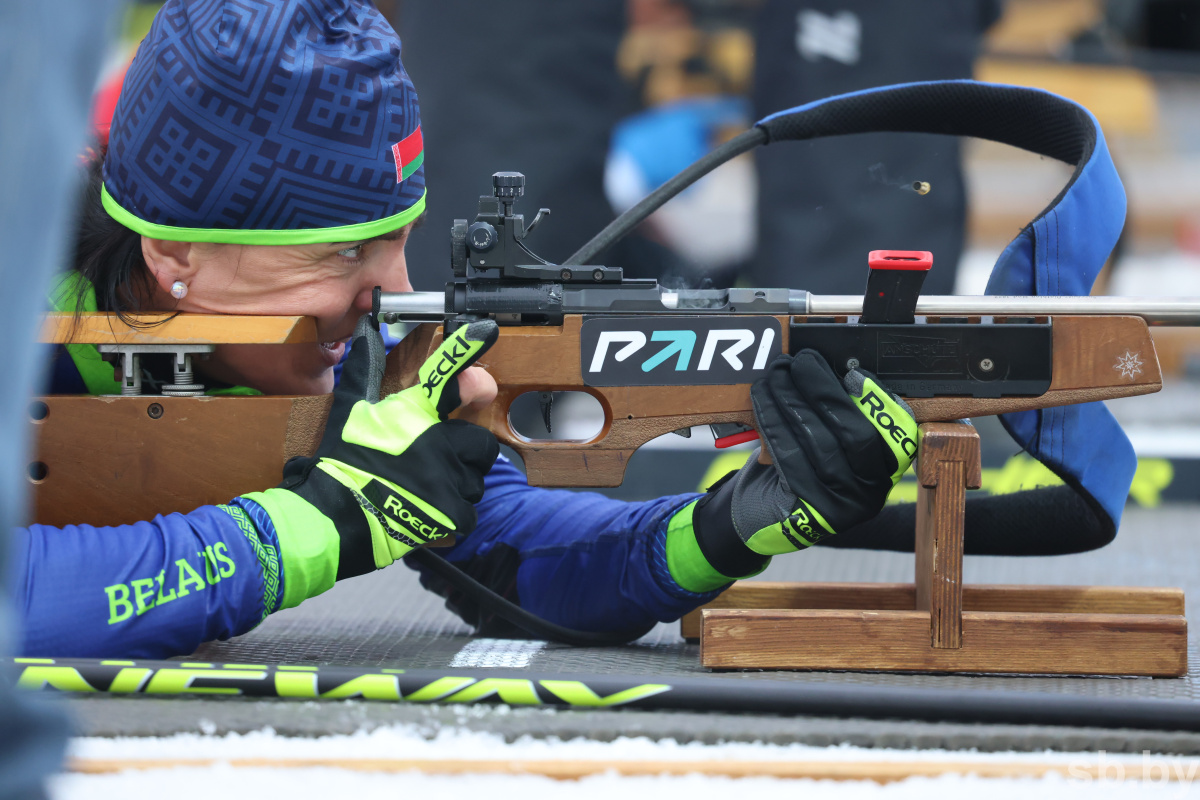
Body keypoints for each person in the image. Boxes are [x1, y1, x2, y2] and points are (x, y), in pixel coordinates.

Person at [13, 0, 917, 658]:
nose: (394, 294)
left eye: (399, 243)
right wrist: (327, 523)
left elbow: (524, 565)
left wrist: (730, 526)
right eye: (338, 258)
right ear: (177, 256)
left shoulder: (327, 348)